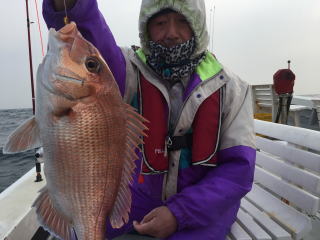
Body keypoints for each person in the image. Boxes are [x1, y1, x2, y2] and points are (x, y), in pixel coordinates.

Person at [42, 0, 256, 239]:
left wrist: (179, 213)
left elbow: (238, 170)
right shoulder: (125, 71)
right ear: (146, 28)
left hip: (200, 214)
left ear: (198, 25)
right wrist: (69, 7)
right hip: (133, 208)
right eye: (161, 23)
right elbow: (88, 45)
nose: (171, 33)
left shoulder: (233, 89)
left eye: (183, 22)